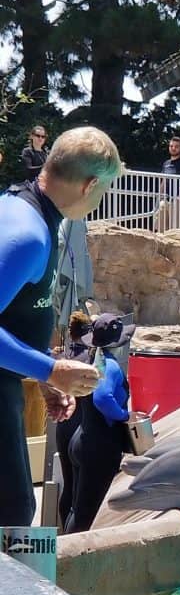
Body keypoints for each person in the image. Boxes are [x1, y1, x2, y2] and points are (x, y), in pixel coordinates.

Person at [0, 125, 121, 526]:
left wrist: (42, 379)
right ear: (89, 186)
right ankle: (22, 593)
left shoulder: (21, 207)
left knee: (16, 513)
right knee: (14, 519)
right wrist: (50, 369)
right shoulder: (29, 234)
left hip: (6, 386)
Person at [66, 313, 135, 533]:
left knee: (76, 509)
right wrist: (124, 415)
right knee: (87, 515)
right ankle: (70, 562)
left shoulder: (91, 360)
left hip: (81, 438)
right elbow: (102, 397)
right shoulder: (111, 366)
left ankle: (62, 552)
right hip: (99, 447)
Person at [54, 311, 92, 527]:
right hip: (80, 427)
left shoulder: (61, 357)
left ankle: (61, 529)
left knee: (67, 484)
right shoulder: (88, 360)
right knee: (78, 492)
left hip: (62, 427)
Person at [155, 135, 180, 232]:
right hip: (167, 199)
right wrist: (158, 197)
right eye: (171, 146)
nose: (173, 148)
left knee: (175, 227)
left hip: (179, 200)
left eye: (176, 146)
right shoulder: (166, 163)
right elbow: (163, 181)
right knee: (161, 221)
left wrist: (179, 197)